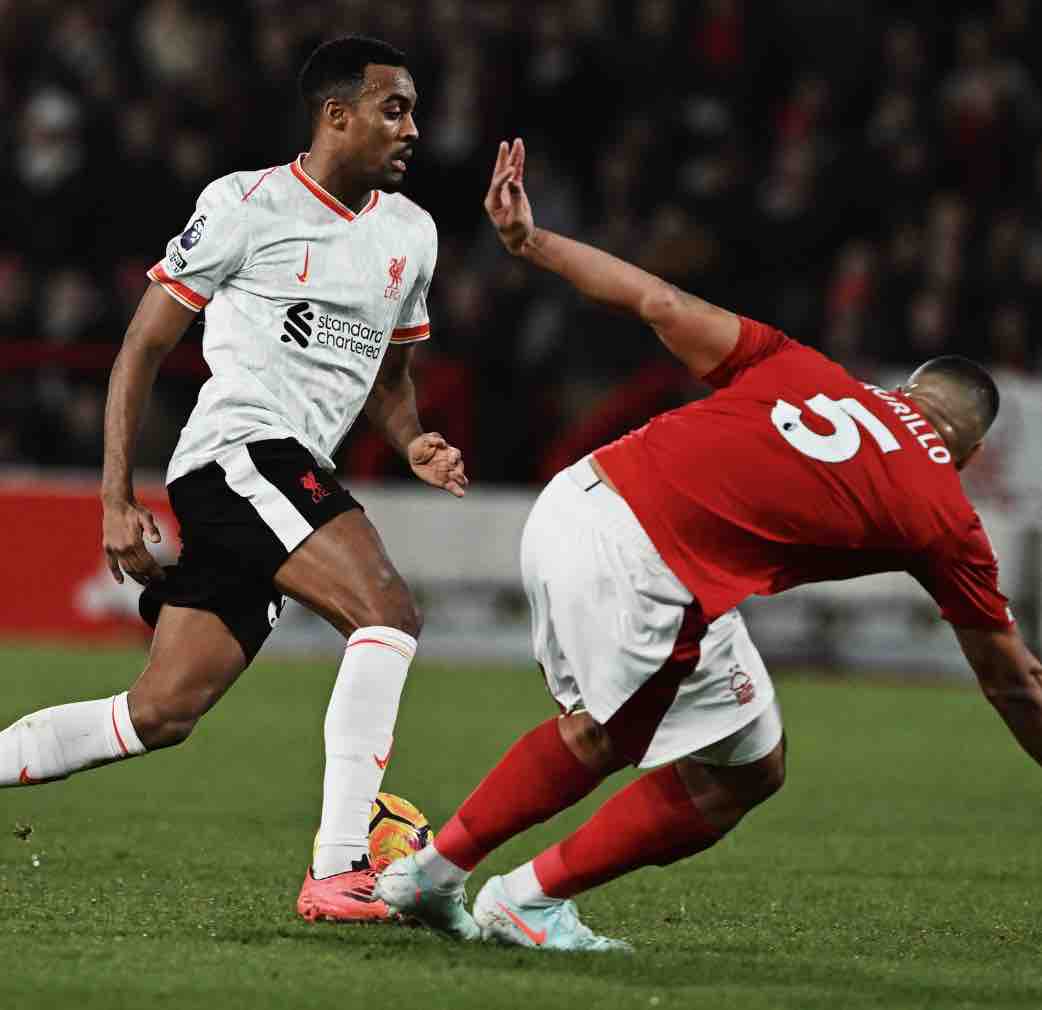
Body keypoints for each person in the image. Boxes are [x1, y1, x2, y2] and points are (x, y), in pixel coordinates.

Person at [374, 138, 1042, 951]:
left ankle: (474, 885)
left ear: (901, 391)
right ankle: (476, 885)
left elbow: (659, 302)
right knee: (603, 735)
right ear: (969, 455)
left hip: (582, 496)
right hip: (648, 554)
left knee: (747, 757)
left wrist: (532, 243)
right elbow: (1013, 683)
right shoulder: (945, 512)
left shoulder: (809, 370)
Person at [0, 36, 467, 925]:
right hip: (241, 455)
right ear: (337, 114)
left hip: (286, 477)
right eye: (393, 108)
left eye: (412, 109)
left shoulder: (412, 234)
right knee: (388, 614)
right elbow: (141, 348)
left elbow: (390, 385)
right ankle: (338, 870)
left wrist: (414, 444)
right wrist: (114, 496)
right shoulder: (246, 205)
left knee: (157, 713)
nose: (413, 128)